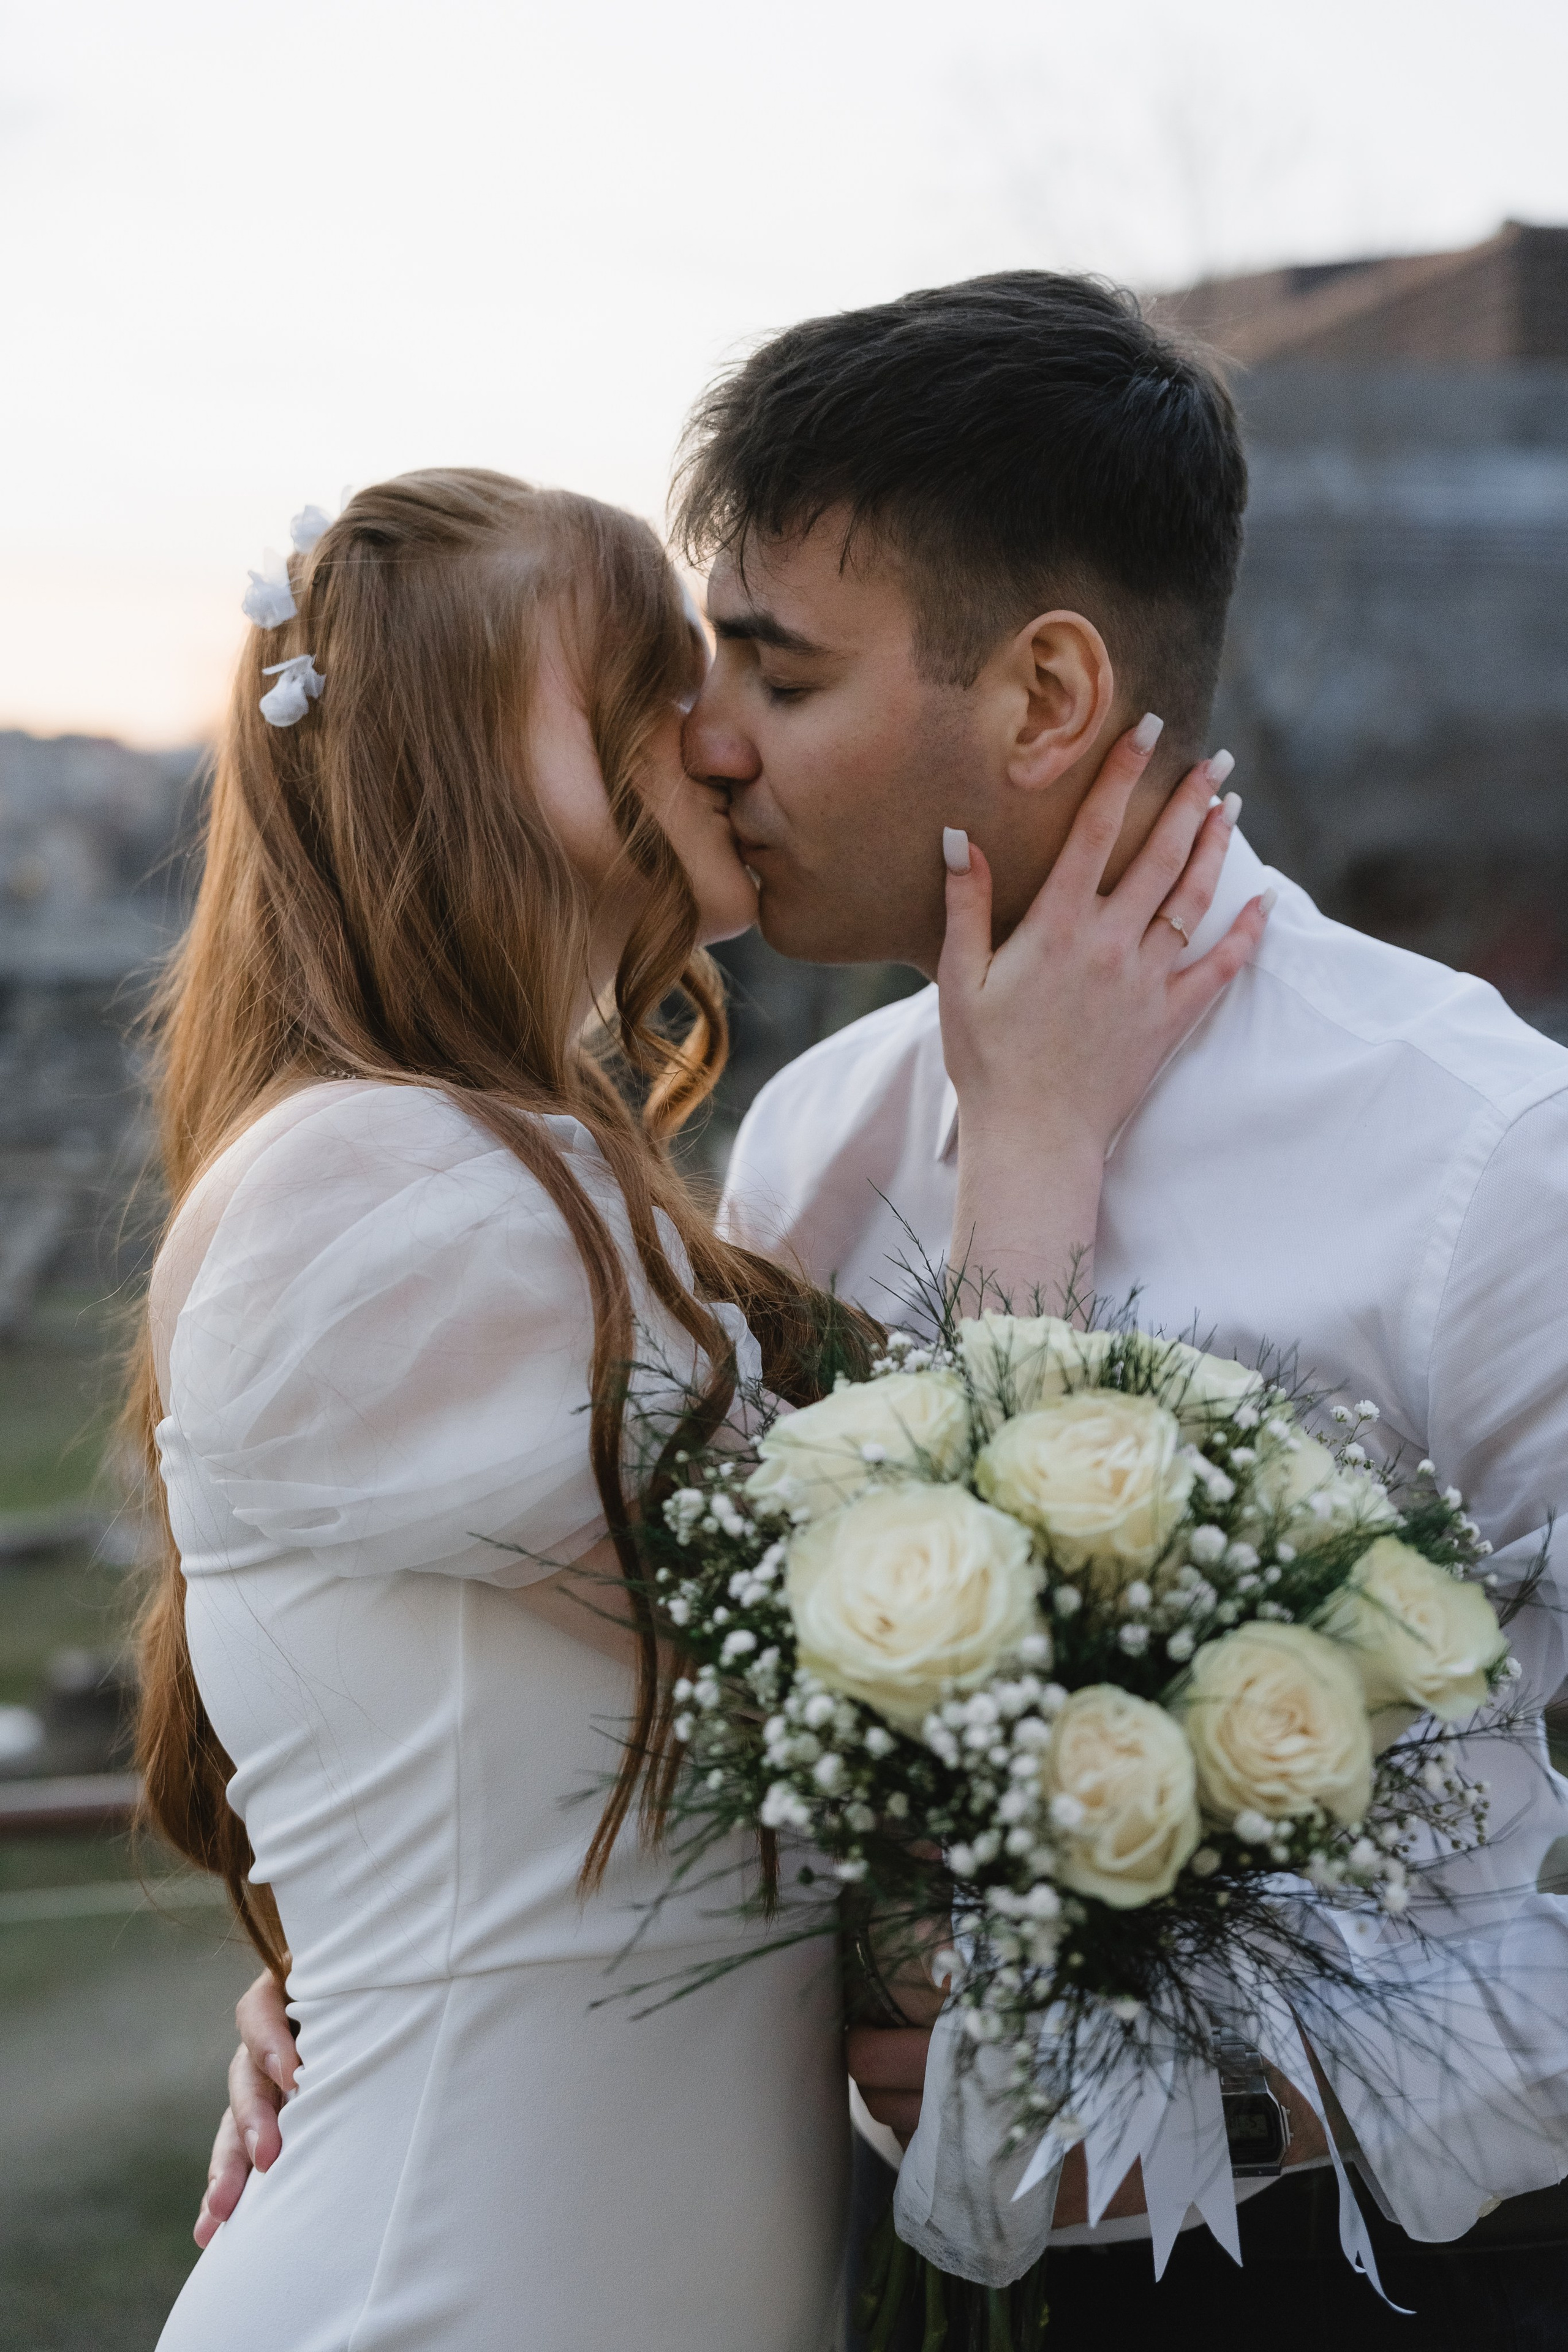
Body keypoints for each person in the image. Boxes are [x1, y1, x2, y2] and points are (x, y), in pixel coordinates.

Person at [210, 271, 1568, 2342]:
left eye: (776, 672)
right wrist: (352, 1955)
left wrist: (1267, 2100)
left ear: (1040, 699)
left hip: (1372, 2278)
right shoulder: (814, 1146)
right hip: (850, 2277)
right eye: (683, 675)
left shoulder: (1489, 1159)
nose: (711, 743)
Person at [141, 461, 1259, 2350]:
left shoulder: (518, 1177)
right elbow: (901, 1655)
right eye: (649, 690)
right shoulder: (370, 1200)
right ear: (472, 781)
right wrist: (1039, 1136)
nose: (719, 741)